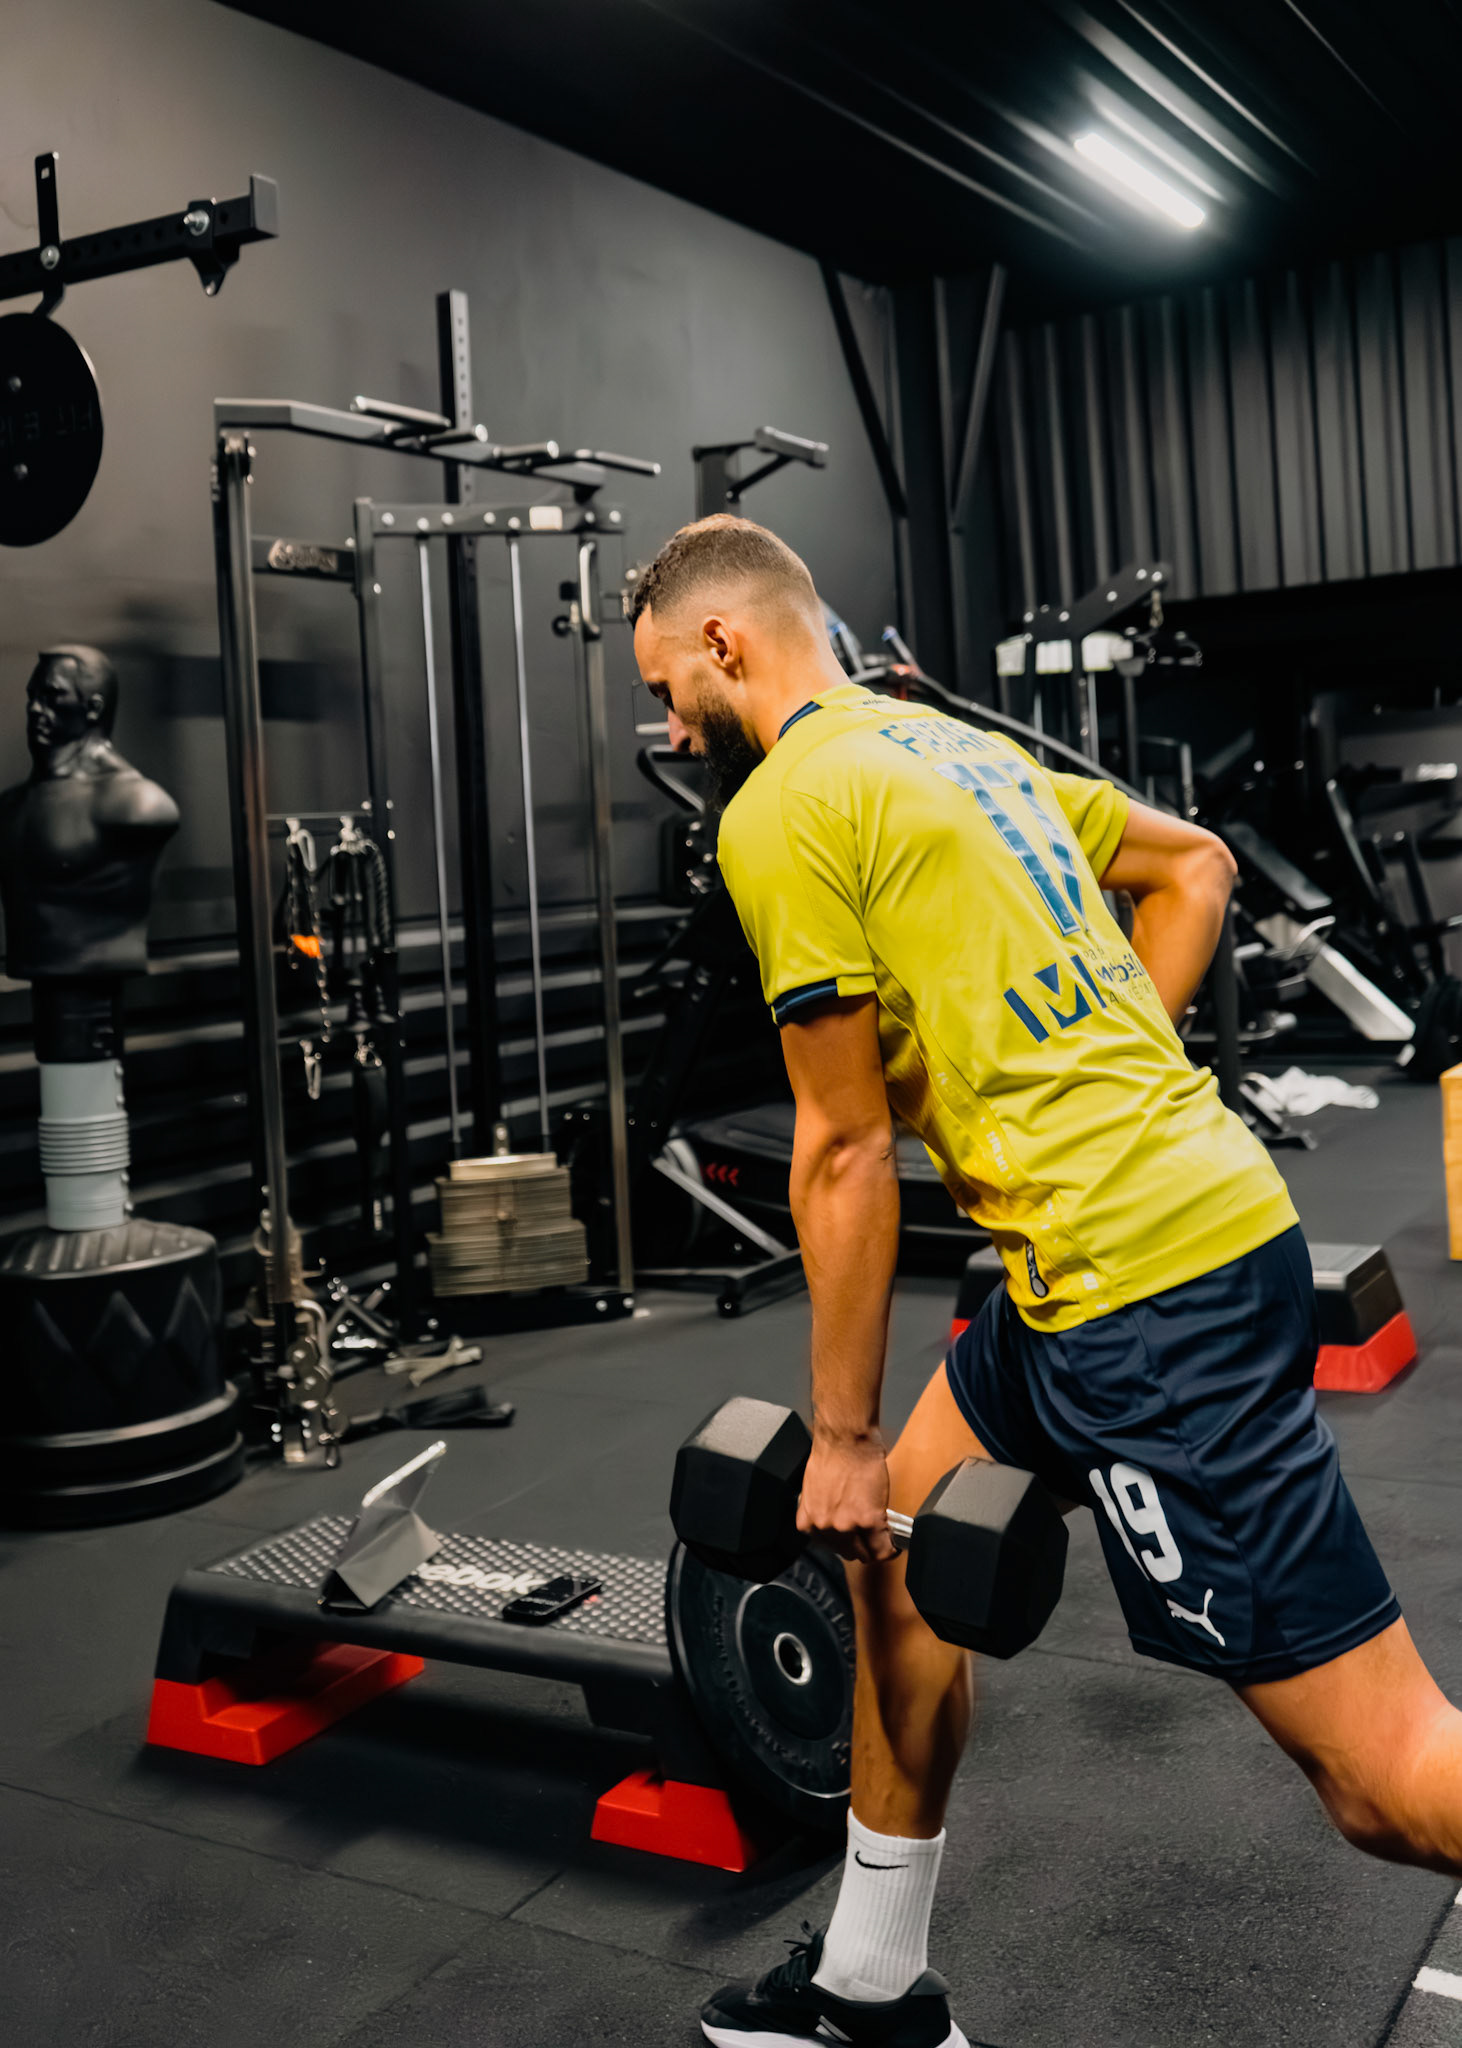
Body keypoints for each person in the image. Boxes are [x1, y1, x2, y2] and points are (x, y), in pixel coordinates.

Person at [630, 515, 1462, 2048]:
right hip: (1088, 1271)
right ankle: (870, 1985)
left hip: (1144, 1296)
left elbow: (839, 1148)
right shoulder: (960, 754)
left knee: (1383, 1782)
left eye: (668, 688)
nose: (674, 729)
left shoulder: (785, 805)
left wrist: (840, 1435)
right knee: (894, 1573)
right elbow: (1194, 866)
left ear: (724, 642)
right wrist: (1091, 1061)